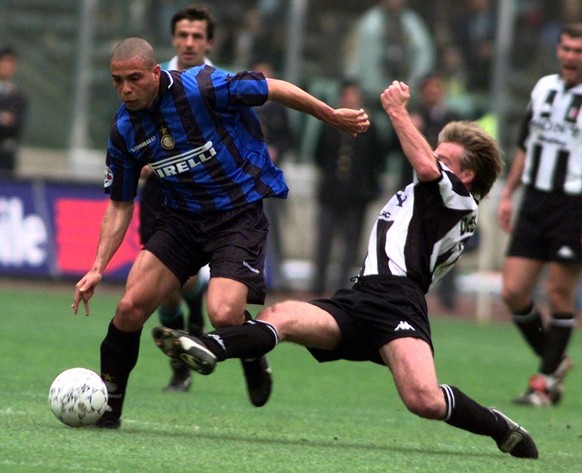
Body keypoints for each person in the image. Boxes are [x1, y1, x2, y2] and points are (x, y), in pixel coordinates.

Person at [152, 81, 539, 460]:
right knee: (281, 316)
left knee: (424, 400)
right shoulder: (435, 193)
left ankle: (497, 425)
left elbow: (423, 163)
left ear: (466, 175)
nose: (433, 159)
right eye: (436, 153)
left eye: (445, 158)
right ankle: (209, 346)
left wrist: (397, 110)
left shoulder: (459, 199)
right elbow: (424, 164)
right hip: (362, 295)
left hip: (398, 303)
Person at [71, 37, 370, 429]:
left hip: (236, 215)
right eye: (116, 81)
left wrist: (330, 115)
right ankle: (109, 409)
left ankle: (251, 351)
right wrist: (97, 267)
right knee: (128, 309)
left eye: (134, 78)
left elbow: (272, 87)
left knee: (224, 313)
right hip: (180, 221)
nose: (125, 89)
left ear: (156, 74)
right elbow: (120, 203)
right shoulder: (125, 129)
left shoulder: (203, 87)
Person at [497, 23, 582, 407]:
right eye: (565, 49)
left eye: (577, 51)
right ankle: (556, 359)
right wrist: (508, 193)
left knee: (558, 292)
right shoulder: (544, 87)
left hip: (573, 205)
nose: (569, 57)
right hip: (535, 199)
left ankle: (544, 383)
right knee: (513, 290)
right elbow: (525, 146)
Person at [138, 4, 216, 392]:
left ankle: (187, 356)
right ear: (173, 39)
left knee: (180, 275)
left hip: (205, 193)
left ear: (208, 42)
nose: (189, 43)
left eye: (197, 36)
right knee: (165, 285)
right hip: (160, 193)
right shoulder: (152, 81)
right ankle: (186, 351)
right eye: (183, 35)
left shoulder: (218, 85)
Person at [311, 79, 384, 294]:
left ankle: (342, 286)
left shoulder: (369, 127)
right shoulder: (329, 124)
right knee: (324, 240)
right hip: (331, 191)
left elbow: (377, 159)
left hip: (356, 195)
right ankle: (318, 285)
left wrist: (367, 187)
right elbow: (319, 154)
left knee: (351, 245)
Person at [410, 73, 464, 310]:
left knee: (448, 240)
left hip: (445, 191)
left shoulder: (453, 120)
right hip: (416, 190)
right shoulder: (413, 117)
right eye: (428, 88)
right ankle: (410, 291)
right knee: (411, 241)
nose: (433, 92)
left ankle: (448, 296)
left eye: (436, 87)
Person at [252, 61, 295, 291]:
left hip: (270, 177)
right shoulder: (242, 104)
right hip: (245, 177)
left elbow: (290, 138)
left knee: (273, 226)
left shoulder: (279, 108)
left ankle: (276, 277)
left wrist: (277, 149)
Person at [0, 46, 27, 176]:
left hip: (5, 158)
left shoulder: (18, 95)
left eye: (11, 62)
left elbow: (17, 125)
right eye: (4, 61)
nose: (8, 66)